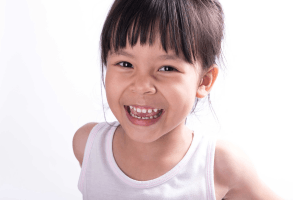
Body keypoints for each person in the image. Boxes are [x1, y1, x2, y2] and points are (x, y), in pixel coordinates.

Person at [73, 0, 283, 199]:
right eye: (125, 64)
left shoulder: (219, 166)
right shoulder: (88, 145)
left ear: (204, 81)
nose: (142, 86)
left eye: (167, 68)